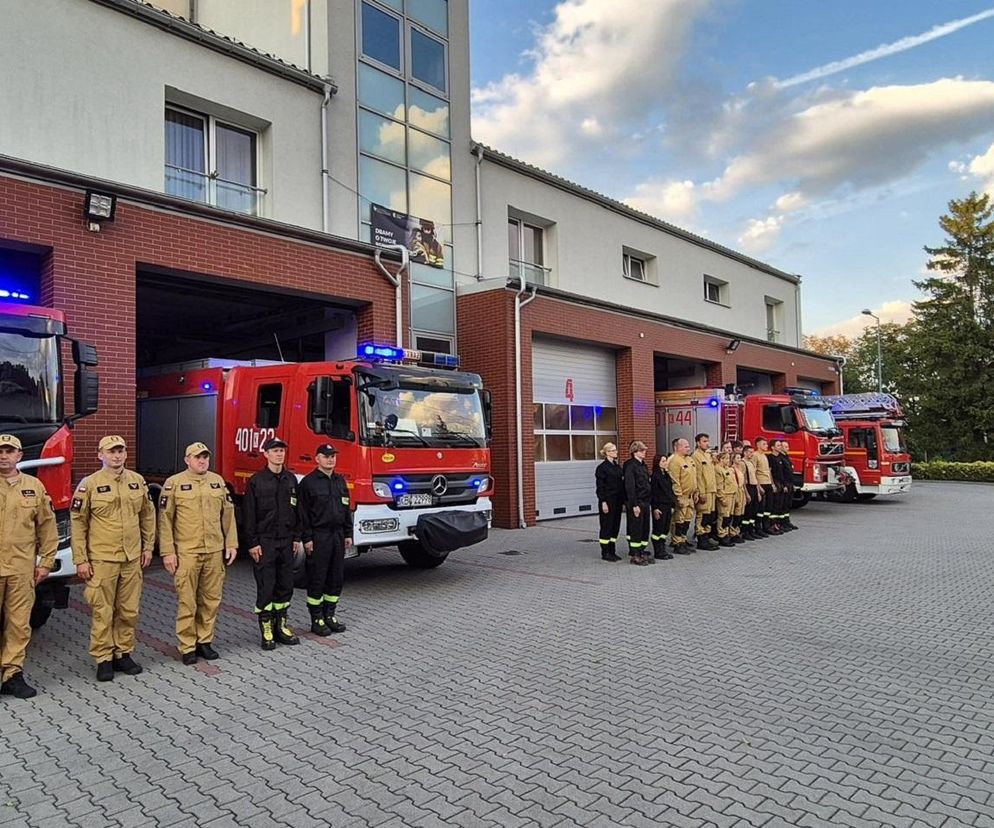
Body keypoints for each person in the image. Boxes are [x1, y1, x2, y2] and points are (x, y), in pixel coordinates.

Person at [71, 435, 155, 682]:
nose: (117, 455)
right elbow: (78, 523)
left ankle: (123, 653)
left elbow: (147, 517)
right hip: (102, 558)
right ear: (100, 455)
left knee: (128, 610)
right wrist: (81, 559)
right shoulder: (89, 485)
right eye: (111, 451)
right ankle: (103, 658)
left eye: (120, 451)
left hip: (131, 558)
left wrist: (148, 548)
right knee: (102, 611)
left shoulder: (137, 481)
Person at [158, 442, 238, 665]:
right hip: (187, 553)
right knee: (188, 601)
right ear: (187, 460)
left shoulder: (217, 481)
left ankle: (205, 641)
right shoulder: (174, 483)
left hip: (213, 551)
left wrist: (231, 544)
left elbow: (228, 515)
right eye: (197, 457)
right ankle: (187, 646)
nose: (202, 461)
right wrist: (167, 552)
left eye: (205, 457)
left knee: (211, 599)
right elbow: (165, 521)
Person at [0, 434, 58, 699]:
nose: (4, 455)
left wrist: (46, 561)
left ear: (19, 456)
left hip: (22, 569)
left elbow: (47, 527)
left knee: (19, 623)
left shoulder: (34, 486)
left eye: (9, 451)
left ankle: (12, 674)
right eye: (0, 451)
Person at [243, 437, 303, 650]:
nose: (279, 454)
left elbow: (297, 511)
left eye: (282, 451)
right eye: (275, 451)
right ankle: (266, 630)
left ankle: (281, 626)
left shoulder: (290, 480)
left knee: (285, 585)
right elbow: (249, 515)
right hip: (265, 543)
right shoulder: (257, 481)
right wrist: (252, 543)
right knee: (266, 586)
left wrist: (296, 537)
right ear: (266, 454)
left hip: (286, 542)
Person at [298, 444, 353, 635]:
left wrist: (348, 534)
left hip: (337, 535)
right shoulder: (308, 483)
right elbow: (302, 514)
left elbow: (346, 510)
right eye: (326, 456)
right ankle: (317, 619)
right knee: (317, 578)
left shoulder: (340, 481)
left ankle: (330, 615)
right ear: (317, 459)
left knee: (335, 577)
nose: (330, 459)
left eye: (333, 456)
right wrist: (307, 538)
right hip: (319, 537)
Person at [622, 441, 652, 566]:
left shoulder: (643, 465)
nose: (644, 452)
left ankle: (641, 550)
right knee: (636, 528)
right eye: (642, 450)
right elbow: (630, 487)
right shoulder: (630, 466)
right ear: (635, 452)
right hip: (637, 502)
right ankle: (635, 554)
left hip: (645, 501)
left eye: (644, 450)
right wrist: (634, 505)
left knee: (644, 528)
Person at [594, 442, 625, 562]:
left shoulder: (617, 467)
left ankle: (612, 550)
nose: (615, 452)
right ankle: (605, 552)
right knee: (606, 526)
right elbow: (600, 487)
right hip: (607, 501)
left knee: (615, 526)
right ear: (607, 452)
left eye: (615, 450)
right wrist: (603, 502)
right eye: (612, 450)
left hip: (617, 501)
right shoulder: (602, 468)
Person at [666, 438, 697, 555]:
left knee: (687, 519)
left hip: (690, 495)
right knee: (679, 520)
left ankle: (683, 540)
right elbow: (675, 480)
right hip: (682, 496)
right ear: (677, 447)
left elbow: (694, 477)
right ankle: (677, 542)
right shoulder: (674, 461)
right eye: (685, 446)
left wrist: (696, 492)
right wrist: (678, 497)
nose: (688, 448)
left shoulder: (688, 460)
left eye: (688, 446)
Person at [691, 433, 719, 550]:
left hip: (712, 490)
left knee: (710, 515)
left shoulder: (707, 456)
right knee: (702, 515)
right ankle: (701, 539)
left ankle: (706, 537)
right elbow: (698, 476)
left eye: (707, 441)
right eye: (704, 441)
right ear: (698, 443)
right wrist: (700, 492)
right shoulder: (696, 456)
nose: (707, 443)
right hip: (704, 491)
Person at [649, 454, 675, 561]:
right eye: (663, 461)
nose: (666, 463)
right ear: (658, 463)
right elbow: (653, 493)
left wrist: (672, 505)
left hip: (667, 505)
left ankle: (662, 548)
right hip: (659, 506)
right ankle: (657, 551)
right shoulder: (655, 476)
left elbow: (670, 491)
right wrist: (655, 508)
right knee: (658, 529)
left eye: (666, 461)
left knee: (665, 529)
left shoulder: (666, 475)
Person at [752, 437, 777, 536]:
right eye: (764, 444)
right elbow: (753, 472)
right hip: (761, 483)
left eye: (766, 444)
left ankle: (766, 526)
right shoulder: (755, 455)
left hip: (768, 483)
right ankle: (758, 528)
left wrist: (772, 483)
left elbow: (768, 471)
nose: (766, 446)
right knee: (760, 508)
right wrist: (758, 486)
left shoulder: (764, 456)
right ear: (758, 445)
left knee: (768, 506)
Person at [715, 451, 738, 548]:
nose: (728, 460)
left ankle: (726, 533)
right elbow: (719, 485)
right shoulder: (718, 469)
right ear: (721, 459)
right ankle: (722, 535)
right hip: (725, 495)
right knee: (723, 516)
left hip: (732, 494)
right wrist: (722, 497)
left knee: (729, 516)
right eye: (726, 458)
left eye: (729, 458)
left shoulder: (728, 469)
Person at [742, 444, 763, 540]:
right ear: (745, 452)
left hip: (754, 487)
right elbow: (744, 479)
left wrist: (758, 491)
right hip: (748, 487)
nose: (752, 454)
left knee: (754, 510)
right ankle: (745, 531)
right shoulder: (743, 463)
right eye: (750, 452)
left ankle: (751, 530)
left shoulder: (751, 463)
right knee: (748, 511)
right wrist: (746, 493)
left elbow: (755, 477)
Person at [731, 452, 748, 544]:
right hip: (736, 490)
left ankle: (737, 531)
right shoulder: (732, 469)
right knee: (736, 512)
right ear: (733, 459)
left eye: (740, 458)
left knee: (741, 512)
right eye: (737, 458)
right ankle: (732, 533)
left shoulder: (740, 468)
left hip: (741, 490)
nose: (739, 459)